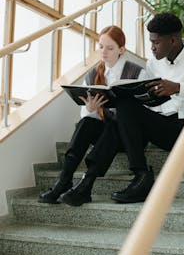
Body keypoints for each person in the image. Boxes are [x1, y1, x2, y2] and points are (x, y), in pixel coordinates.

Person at [111, 13, 184, 209]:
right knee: (125, 104)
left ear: (173, 40)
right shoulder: (153, 64)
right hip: (166, 128)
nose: (152, 47)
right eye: (151, 42)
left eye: (156, 42)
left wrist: (178, 88)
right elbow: (150, 101)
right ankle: (141, 177)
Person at [38, 25, 148, 206]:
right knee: (86, 122)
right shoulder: (93, 74)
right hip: (107, 135)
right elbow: (87, 116)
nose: (104, 51)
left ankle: (86, 184)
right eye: (101, 46)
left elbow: (148, 109)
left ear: (121, 50)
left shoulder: (138, 73)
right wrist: (90, 108)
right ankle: (64, 181)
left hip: (132, 136)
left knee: (114, 125)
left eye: (110, 48)